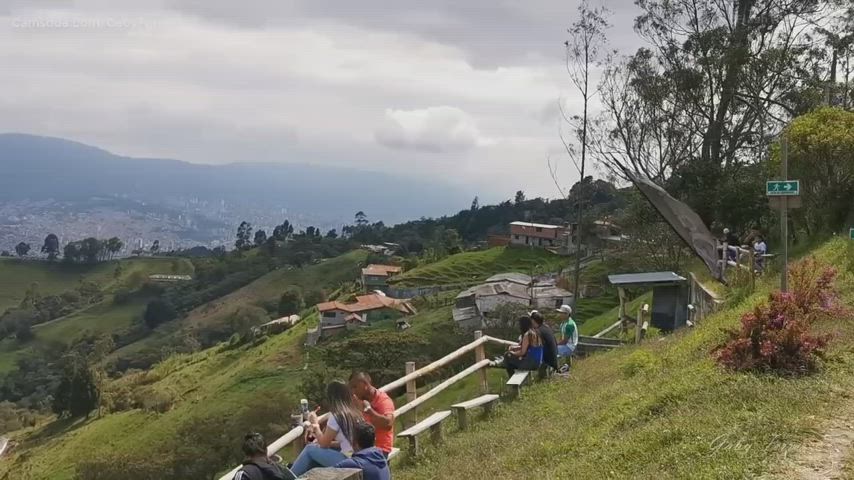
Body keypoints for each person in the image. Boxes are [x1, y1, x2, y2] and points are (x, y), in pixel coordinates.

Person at [291, 381, 365, 476]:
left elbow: (323, 444)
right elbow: (346, 442)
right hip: (358, 457)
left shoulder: (336, 416)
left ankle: (289, 477)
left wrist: (315, 424)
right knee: (314, 449)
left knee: (310, 449)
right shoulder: (355, 413)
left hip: (349, 461)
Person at [348, 372, 395, 457]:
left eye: (355, 387)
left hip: (380, 449)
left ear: (365, 384)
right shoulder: (358, 400)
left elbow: (388, 424)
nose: (353, 391)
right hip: (361, 448)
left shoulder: (383, 401)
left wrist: (369, 410)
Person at [556, 305, 578, 373]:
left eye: (561, 313)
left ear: (567, 314)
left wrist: (555, 345)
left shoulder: (569, 324)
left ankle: (556, 368)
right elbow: (561, 337)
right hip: (565, 345)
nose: (560, 314)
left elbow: (565, 341)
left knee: (550, 351)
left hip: (570, 346)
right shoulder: (563, 323)